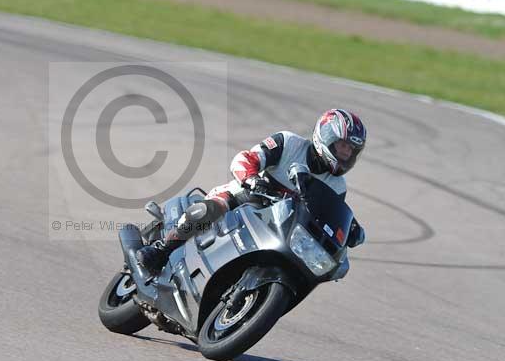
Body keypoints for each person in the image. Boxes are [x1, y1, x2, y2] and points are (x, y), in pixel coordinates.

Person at [136, 108, 368, 274]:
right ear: (326, 137)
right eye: (343, 145)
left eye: (352, 149)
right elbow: (245, 158)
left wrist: (348, 233)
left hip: (279, 226)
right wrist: (252, 178)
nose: (346, 153)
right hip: (245, 197)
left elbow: (325, 218)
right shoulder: (289, 143)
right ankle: (161, 250)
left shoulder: (337, 186)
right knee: (212, 208)